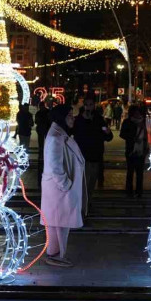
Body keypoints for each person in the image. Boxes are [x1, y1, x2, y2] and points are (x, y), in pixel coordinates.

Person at [40, 104, 84, 268]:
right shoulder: (55, 137)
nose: (73, 118)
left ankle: (56, 254)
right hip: (59, 190)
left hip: (59, 190)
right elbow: (54, 166)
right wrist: (66, 185)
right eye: (69, 115)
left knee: (59, 224)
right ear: (61, 117)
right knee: (58, 224)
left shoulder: (60, 134)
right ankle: (55, 255)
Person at [72, 97, 113, 218]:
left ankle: (87, 204)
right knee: (82, 184)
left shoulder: (99, 120)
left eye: (91, 105)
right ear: (84, 106)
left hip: (95, 157)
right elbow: (73, 134)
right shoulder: (78, 120)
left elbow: (108, 137)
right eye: (87, 105)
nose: (89, 107)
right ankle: (82, 207)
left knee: (90, 185)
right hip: (82, 158)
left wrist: (107, 132)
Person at [120, 106, 149, 198]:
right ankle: (129, 191)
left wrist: (146, 146)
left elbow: (146, 136)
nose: (137, 114)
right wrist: (132, 137)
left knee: (140, 172)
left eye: (139, 112)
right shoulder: (127, 122)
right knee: (130, 171)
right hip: (131, 150)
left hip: (141, 150)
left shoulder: (143, 122)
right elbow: (122, 134)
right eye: (135, 112)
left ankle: (139, 191)